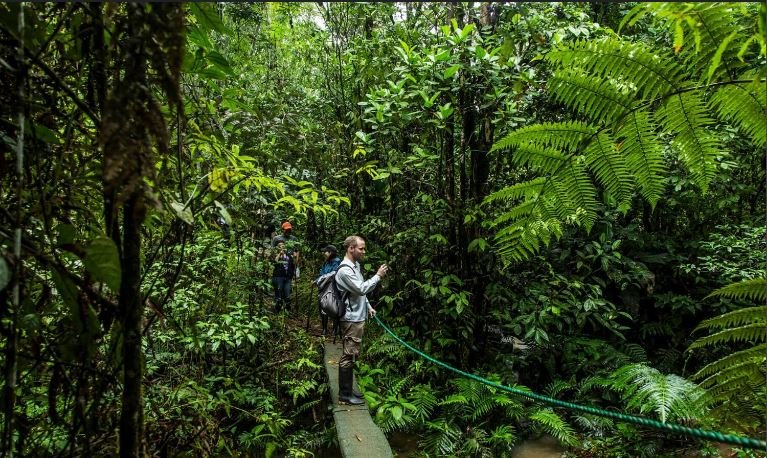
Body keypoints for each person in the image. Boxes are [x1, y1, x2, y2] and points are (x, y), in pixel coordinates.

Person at [335, 235, 389, 405]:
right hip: (351, 318)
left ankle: (349, 390)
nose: (364, 251)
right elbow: (360, 288)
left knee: (353, 353)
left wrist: (368, 306)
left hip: (358, 316)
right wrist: (378, 276)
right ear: (351, 248)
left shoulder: (355, 266)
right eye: (361, 248)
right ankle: (344, 394)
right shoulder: (345, 270)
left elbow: (359, 293)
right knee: (349, 354)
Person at [316, 244, 341, 336]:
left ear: (330, 253)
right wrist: (318, 280)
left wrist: (319, 280)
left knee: (334, 306)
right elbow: (322, 273)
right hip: (323, 287)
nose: (324, 253)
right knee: (322, 306)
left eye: (325, 252)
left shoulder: (337, 262)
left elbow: (334, 273)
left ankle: (335, 330)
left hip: (334, 288)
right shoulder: (326, 262)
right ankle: (324, 329)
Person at [271, 241, 295, 312]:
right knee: (279, 295)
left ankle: (287, 311)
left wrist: (292, 277)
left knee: (287, 295)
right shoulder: (275, 255)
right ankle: (278, 311)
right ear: (277, 248)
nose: (282, 247)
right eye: (280, 246)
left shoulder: (289, 256)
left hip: (287, 278)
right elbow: (274, 262)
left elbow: (292, 266)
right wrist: (279, 254)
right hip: (278, 277)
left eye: (283, 246)